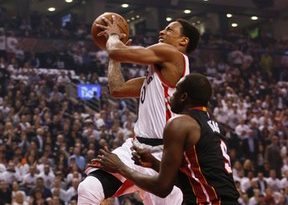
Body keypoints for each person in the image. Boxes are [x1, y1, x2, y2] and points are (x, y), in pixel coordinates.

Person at [77, 15, 200, 205]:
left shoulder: (173, 54)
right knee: (88, 188)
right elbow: (117, 89)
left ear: (183, 41)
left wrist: (114, 36)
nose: (162, 32)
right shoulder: (156, 77)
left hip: (165, 155)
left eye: (169, 30)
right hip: (136, 148)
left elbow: (117, 51)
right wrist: (115, 56)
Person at [92, 73, 240, 204]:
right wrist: (155, 164)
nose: (170, 96)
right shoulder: (213, 125)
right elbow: (191, 181)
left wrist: (120, 167)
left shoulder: (179, 124)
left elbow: (162, 188)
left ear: (183, 97)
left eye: (175, 92)